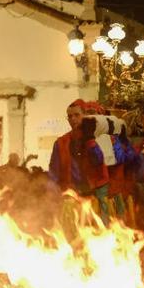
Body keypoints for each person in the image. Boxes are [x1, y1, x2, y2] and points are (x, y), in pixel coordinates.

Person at [48, 99, 109, 243]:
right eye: (69, 116)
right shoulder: (61, 142)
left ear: (84, 116)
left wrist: (90, 140)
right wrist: (50, 197)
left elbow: (99, 162)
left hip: (93, 199)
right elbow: (53, 173)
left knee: (97, 240)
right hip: (71, 200)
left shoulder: (98, 138)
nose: (73, 119)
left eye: (76, 115)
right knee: (72, 240)